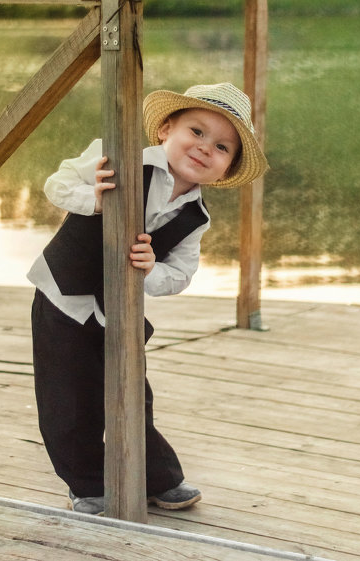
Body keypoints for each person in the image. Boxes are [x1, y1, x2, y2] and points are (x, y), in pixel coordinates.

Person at [27, 82, 268, 516]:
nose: (204, 148)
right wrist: (94, 199)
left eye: (221, 147)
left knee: (134, 393)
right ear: (164, 129)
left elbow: (180, 276)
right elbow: (56, 185)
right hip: (63, 295)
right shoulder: (119, 156)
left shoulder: (196, 216)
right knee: (68, 397)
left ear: (227, 169)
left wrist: (153, 269)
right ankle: (86, 485)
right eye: (196, 131)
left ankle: (159, 478)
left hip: (119, 311)